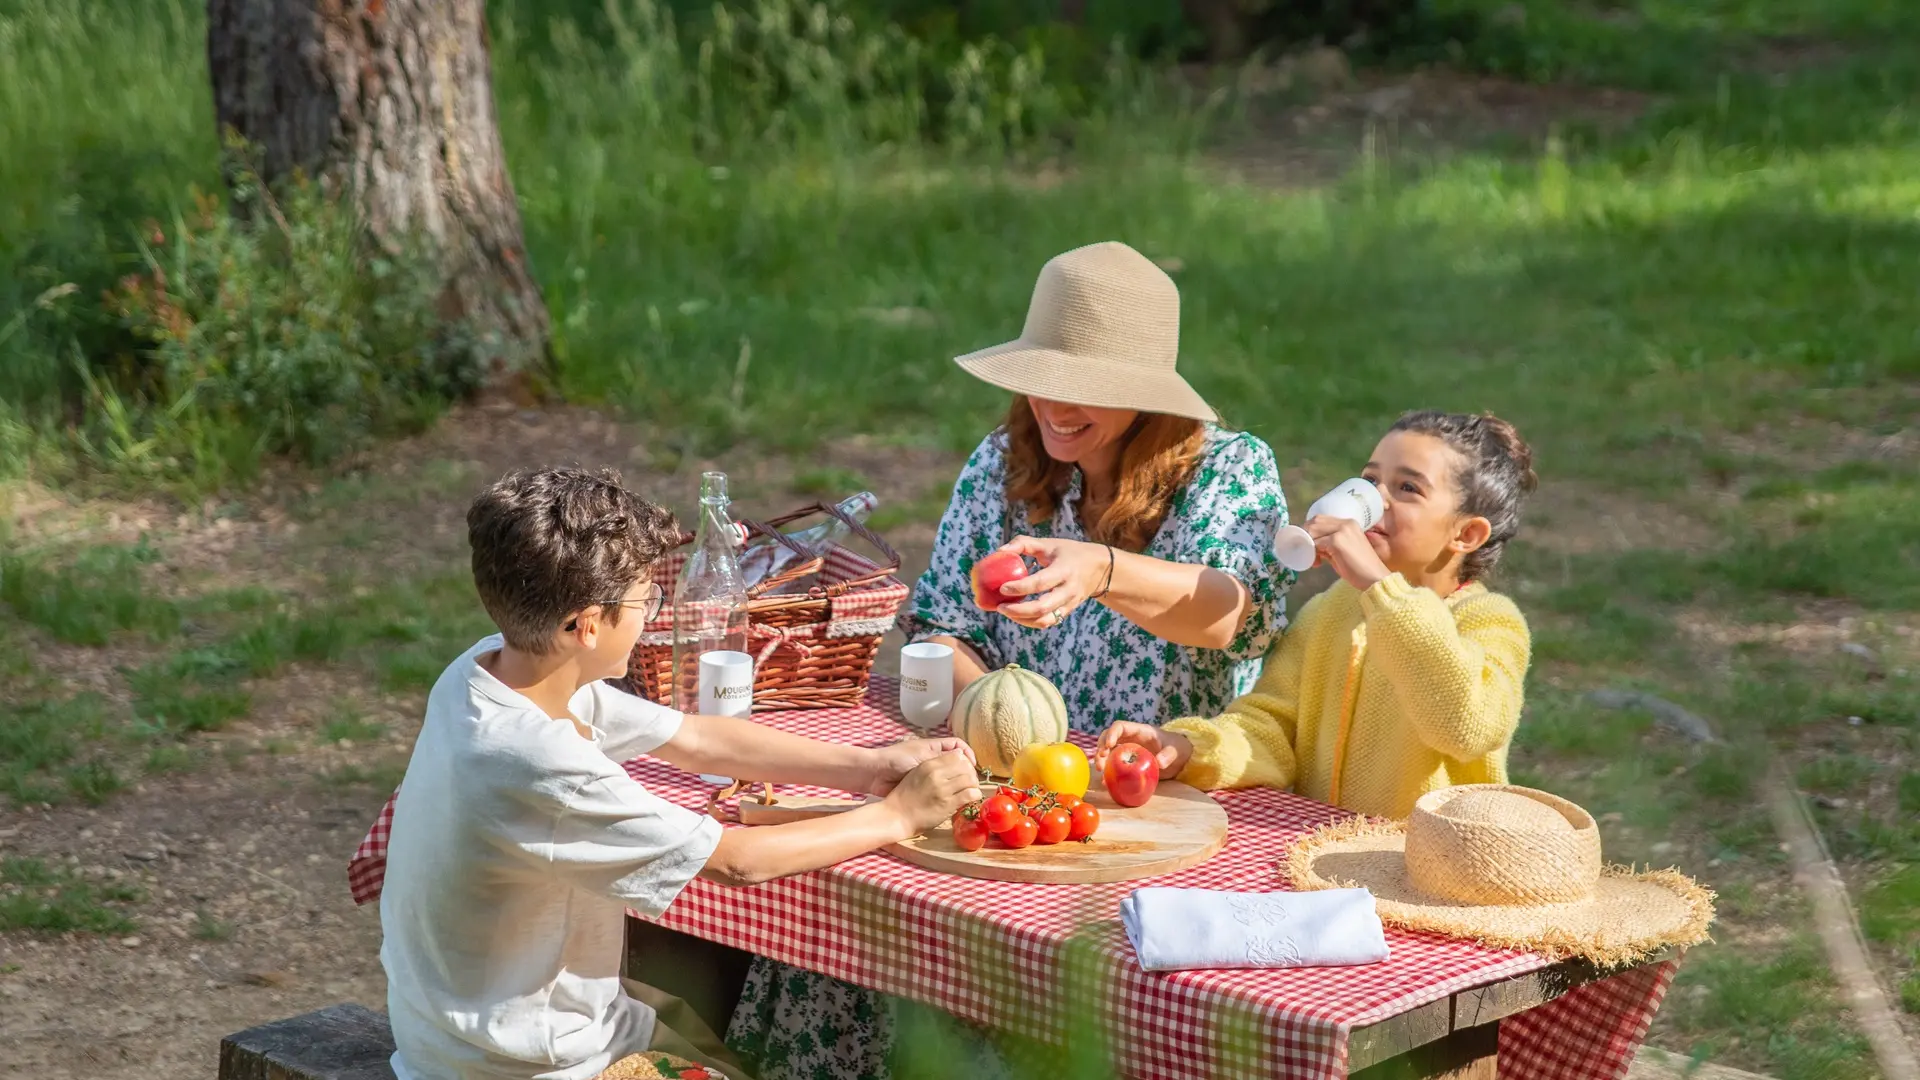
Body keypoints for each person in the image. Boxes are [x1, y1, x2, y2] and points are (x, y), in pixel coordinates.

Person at [724, 241, 1293, 1079]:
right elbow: (946, 626)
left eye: (1087, 388)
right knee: (878, 917)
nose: (1056, 405)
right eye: (1041, 376)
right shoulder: (1003, 462)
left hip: (1149, 799)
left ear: (1145, 396)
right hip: (1013, 792)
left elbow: (1237, 618)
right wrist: (990, 718)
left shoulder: (1228, 471)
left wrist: (1100, 568)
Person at [379, 466, 982, 1080]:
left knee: (706, 1037)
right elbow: (737, 862)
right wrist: (897, 815)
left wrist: (870, 766)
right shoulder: (540, 765)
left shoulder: (490, 671)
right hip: (517, 1064)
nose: (653, 612)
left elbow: (692, 737)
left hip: (450, 1026)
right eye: (647, 599)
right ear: (587, 625)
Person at [1098, 410, 1538, 820]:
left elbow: (1466, 726)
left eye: (1407, 488)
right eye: (1369, 480)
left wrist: (1377, 585)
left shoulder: (1491, 621)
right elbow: (1272, 727)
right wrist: (1191, 748)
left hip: (1426, 872)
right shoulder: (1332, 611)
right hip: (1324, 858)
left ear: (1466, 534)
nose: (1376, 499)